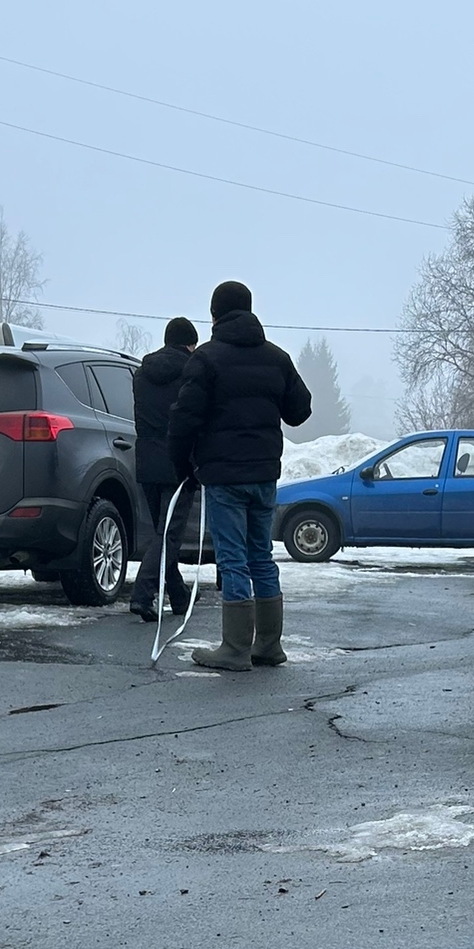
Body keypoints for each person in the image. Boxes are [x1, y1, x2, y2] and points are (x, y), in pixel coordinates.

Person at [167, 280, 313, 671]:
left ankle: (234, 647)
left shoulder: (206, 359)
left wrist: (182, 465)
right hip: (264, 473)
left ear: (214, 314)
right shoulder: (277, 358)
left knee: (232, 559)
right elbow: (300, 410)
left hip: (224, 475)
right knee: (261, 557)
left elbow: (184, 417)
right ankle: (268, 644)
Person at [127, 316, 199, 620]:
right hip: (177, 461)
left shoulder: (142, 373)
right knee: (168, 535)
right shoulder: (191, 372)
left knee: (161, 531)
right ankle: (143, 594)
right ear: (189, 343)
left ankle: (179, 595)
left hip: (146, 460)